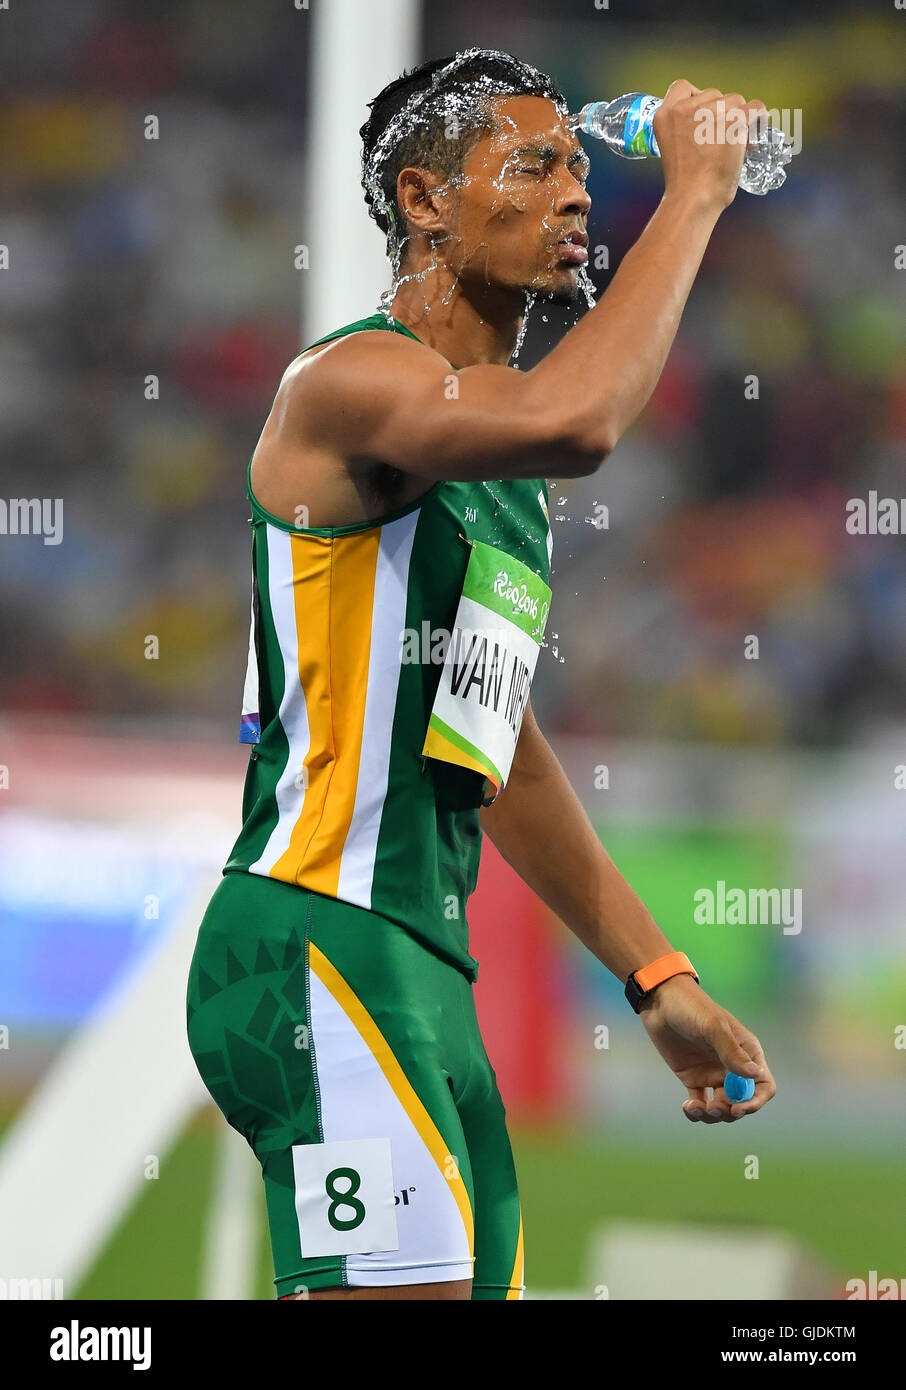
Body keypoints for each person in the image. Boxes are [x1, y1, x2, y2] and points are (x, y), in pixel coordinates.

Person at [186, 48, 776, 1302]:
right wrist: (695, 196)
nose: (574, 194)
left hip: (418, 969)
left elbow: (490, 740)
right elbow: (581, 423)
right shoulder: (347, 384)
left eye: (578, 165)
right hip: (319, 935)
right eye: (532, 164)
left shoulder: (492, 471)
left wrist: (655, 972)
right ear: (423, 200)